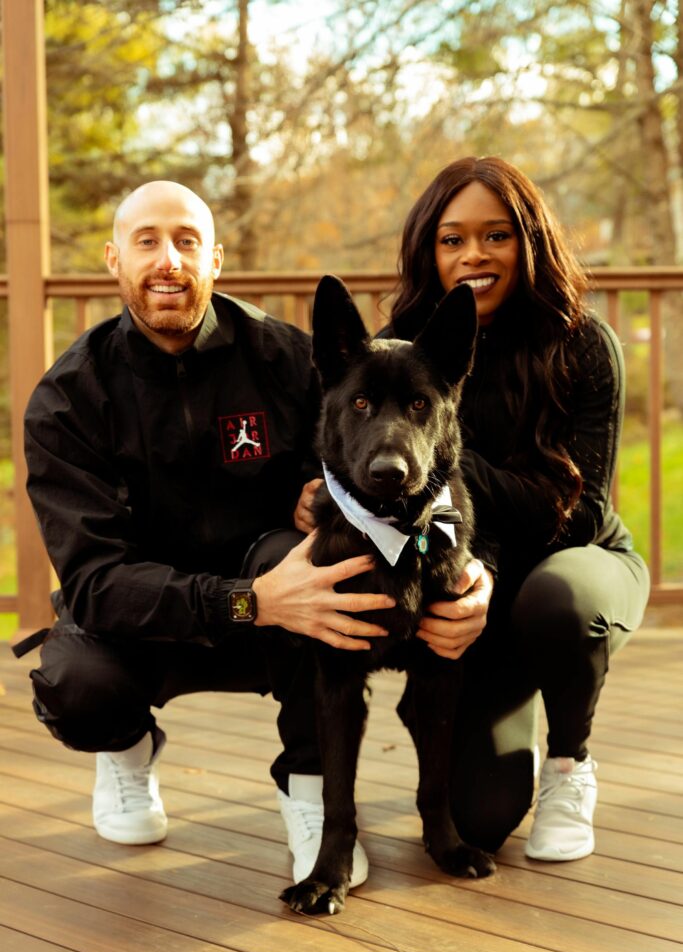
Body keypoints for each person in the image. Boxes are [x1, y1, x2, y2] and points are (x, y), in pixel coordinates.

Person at [19, 179, 411, 886]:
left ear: (216, 261)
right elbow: (96, 583)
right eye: (147, 241)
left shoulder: (285, 359)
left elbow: (370, 451)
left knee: (321, 567)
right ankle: (127, 750)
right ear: (114, 260)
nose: (168, 259)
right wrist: (245, 601)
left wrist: (322, 494)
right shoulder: (68, 399)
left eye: (186, 241)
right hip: (149, 625)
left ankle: (313, 790)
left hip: (280, 616)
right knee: (76, 683)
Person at [373, 155, 650, 860]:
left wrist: (457, 469)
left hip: (573, 563)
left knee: (557, 600)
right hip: (478, 585)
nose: (473, 254)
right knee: (479, 822)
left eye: (495, 235)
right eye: (451, 238)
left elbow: (579, 511)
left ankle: (569, 764)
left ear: (528, 242)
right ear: (427, 250)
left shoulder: (582, 344)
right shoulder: (408, 351)